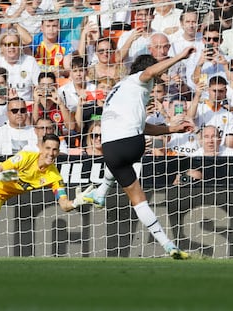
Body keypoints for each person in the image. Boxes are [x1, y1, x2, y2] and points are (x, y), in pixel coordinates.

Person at [86, 49, 197, 260]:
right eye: (156, 78)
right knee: (139, 198)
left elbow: (140, 124)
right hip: (132, 144)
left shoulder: (118, 90)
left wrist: (170, 129)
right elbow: (148, 73)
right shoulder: (139, 79)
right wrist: (180, 57)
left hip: (110, 149)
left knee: (137, 200)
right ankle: (168, 245)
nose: (155, 83)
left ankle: (101, 193)